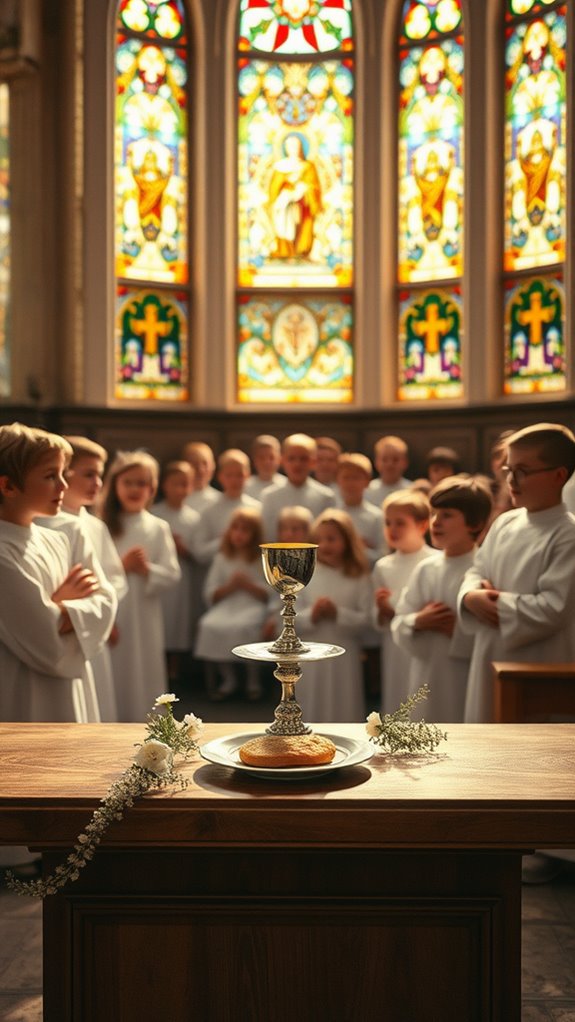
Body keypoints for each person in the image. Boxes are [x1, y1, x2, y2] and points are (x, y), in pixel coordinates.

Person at [457, 423, 575, 723]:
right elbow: (476, 568)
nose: (510, 479)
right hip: (488, 653)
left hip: (536, 665)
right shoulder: (505, 523)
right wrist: (470, 596)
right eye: (508, 469)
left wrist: (494, 604)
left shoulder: (567, 533)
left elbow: (553, 608)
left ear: (559, 475)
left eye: (522, 470)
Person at [0, 423, 117, 724]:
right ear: (8, 486)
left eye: (64, 474)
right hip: (20, 688)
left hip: (74, 683)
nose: (63, 486)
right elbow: (43, 638)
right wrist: (62, 608)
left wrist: (56, 607)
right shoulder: (3, 552)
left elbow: (106, 599)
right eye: (51, 476)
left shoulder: (58, 539)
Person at [391, 476, 493, 722]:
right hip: (424, 676)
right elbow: (398, 624)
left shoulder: (484, 570)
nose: (435, 522)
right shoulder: (426, 569)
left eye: (447, 515)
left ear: (474, 522)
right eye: (433, 513)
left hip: (465, 678)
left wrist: (456, 631)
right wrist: (418, 621)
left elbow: (491, 635)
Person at [99, 450, 181, 721]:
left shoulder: (158, 527)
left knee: (142, 669)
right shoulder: (102, 526)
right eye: (128, 482)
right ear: (115, 486)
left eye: (141, 483)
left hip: (145, 615)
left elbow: (171, 574)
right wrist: (121, 565)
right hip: (113, 612)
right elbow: (91, 571)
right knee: (113, 670)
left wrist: (147, 570)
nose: (135, 489)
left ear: (152, 488)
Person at [53, 435, 128, 721]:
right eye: (88, 474)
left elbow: (115, 578)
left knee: (95, 698)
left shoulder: (95, 526)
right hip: (63, 623)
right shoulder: (41, 521)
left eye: (100, 475)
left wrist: (102, 607)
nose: (97, 482)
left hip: (93, 621)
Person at [296, 509, 373, 723]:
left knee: (343, 702)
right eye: (319, 539)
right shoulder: (305, 574)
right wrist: (314, 614)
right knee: (311, 702)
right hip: (310, 651)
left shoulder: (359, 576)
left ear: (347, 541)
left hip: (345, 653)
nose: (324, 545)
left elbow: (366, 619)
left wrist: (337, 613)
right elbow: (290, 617)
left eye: (331, 538)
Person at [372, 490, 437, 715]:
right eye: (388, 523)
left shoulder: (435, 561)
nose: (393, 529)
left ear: (422, 525)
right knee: (397, 692)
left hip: (424, 640)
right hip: (393, 644)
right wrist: (381, 611)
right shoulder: (383, 566)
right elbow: (378, 614)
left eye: (400, 523)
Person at [195, 507, 268, 702]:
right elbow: (211, 591)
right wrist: (231, 586)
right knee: (210, 625)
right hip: (227, 604)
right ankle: (229, 678)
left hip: (252, 605)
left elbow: (270, 593)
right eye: (235, 528)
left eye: (245, 530)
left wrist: (248, 585)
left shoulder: (262, 559)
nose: (239, 534)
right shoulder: (222, 558)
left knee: (245, 627)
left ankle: (253, 679)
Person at [151, 460, 200, 682]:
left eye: (185, 484)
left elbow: (198, 553)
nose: (180, 489)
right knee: (162, 620)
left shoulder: (194, 518)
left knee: (178, 621)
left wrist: (183, 549)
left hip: (183, 579)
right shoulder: (154, 514)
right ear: (164, 485)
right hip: (159, 577)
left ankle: (175, 669)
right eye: (175, 484)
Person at [260, 433, 336, 540]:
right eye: (291, 458)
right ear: (282, 461)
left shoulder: (326, 497)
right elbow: (267, 536)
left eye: (303, 459)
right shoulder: (269, 496)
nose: (297, 464)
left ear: (313, 462)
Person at [192, 448, 260, 566]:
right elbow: (199, 554)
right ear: (220, 476)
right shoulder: (209, 511)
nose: (234, 480)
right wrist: (224, 541)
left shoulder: (257, 509)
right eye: (229, 475)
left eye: (239, 475)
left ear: (248, 476)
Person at [268, 133, 322, 260]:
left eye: (296, 145)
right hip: (284, 206)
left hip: (302, 206)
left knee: (300, 227)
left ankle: (301, 251)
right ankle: (285, 251)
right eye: (290, 145)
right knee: (284, 227)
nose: (293, 148)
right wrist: (285, 192)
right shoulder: (280, 167)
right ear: (285, 148)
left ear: (301, 147)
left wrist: (303, 190)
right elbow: (273, 190)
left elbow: (314, 186)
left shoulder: (308, 166)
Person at [336, 452, 385, 565]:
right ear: (338, 480)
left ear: (367, 482)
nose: (351, 483)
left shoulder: (377, 517)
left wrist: (358, 548)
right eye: (346, 477)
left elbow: (382, 556)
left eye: (356, 478)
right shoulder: (332, 515)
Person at [366, 435, 412, 507]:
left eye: (395, 460)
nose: (390, 464)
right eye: (384, 460)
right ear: (376, 462)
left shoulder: (412, 491)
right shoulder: (367, 491)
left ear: (405, 462)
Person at [182, 441, 219, 515]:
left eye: (205, 463)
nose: (200, 470)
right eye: (194, 464)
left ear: (213, 466)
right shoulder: (176, 502)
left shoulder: (221, 501)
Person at [245, 434, 285, 500]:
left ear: (280, 459)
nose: (266, 462)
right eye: (261, 458)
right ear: (254, 460)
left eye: (271, 457)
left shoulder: (286, 485)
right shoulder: (245, 487)